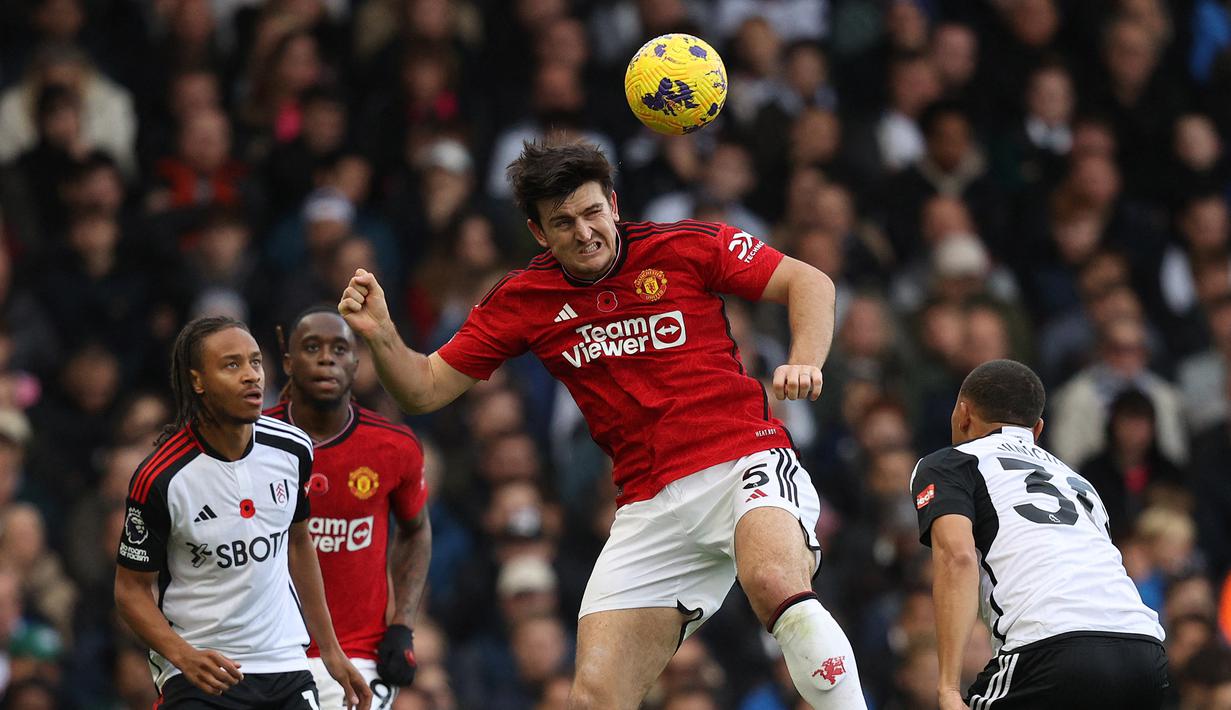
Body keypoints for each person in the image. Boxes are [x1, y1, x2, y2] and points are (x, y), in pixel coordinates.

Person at [339, 140, 867, 709]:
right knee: (593, 698)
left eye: (592, 212)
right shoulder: (523, 299)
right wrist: (383, 335)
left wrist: (805, 358)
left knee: (774, 583)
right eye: (562, 222)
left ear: (613, 204)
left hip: (744, 460)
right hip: (648, 505)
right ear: (539, 233)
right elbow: (424, 387)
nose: (583, 232)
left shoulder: (684, 244)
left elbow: (809, 281)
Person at [114, 316, 372, 709]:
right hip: (203, 671)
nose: (252, 376)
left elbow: (299, 543)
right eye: (232, 365)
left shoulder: (294, 449)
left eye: (255, 362)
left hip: (284, 662)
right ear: (197, 381)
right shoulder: (161, 477)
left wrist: (331, 651)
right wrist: (183, 655)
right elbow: (130, 590)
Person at [910, 359, 1169, 709]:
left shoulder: (952, 463)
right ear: (1038, 429)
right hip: (1144, 653)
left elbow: (956, 557)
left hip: (1050, 646)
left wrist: (948, 688)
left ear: (963, 413)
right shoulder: (1080, 482)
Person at [265, 306, 432, 709]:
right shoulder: (254, 443)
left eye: (340, 349)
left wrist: (403, 625)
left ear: (357, 363)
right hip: (267, 652)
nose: (327, 358)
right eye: (312, 347)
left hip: (358, 655)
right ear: (288, 361)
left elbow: (415, 530)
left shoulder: (393, 446)